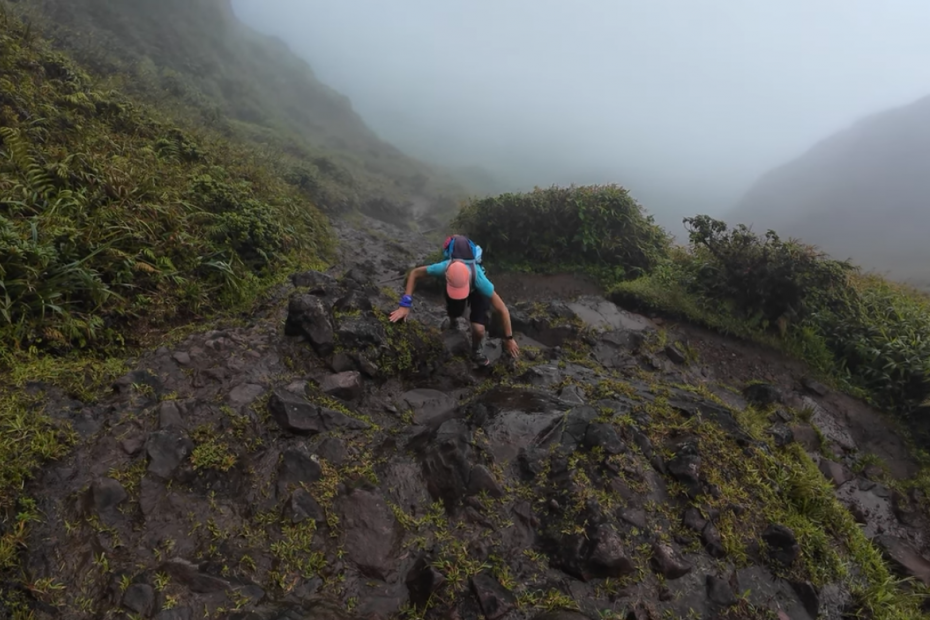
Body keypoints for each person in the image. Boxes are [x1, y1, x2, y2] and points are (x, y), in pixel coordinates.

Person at [389, 235, 520, 366]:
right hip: (453, 284)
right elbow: (415, 274)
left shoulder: (481, 281)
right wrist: (405, 305)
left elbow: (502, 309)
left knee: (479, 329)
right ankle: (453, 321)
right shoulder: (443, 268)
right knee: (455, 312)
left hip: (476, 291)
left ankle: (476, 350)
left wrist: (509, 338)